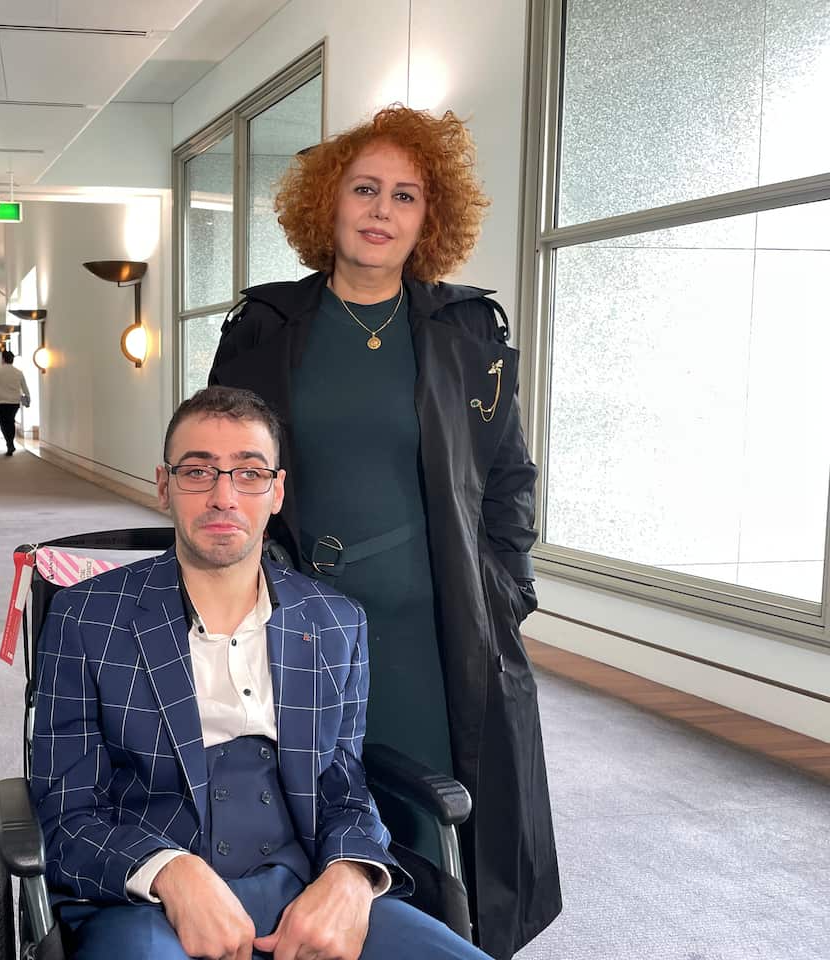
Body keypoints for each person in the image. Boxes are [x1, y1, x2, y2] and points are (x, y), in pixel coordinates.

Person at [208, 105, 561, 959]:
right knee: (302, 816)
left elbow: (509, 479)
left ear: (428, 219)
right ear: (327, 204)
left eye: (406, 196)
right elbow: (218, 465)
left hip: (434, 636)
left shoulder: (464, 331)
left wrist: (501, 594)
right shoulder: (267, 328)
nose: (381, 210)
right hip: (298, 623)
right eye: (365, 188)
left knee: (436, 819)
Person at [30, 386, 490, 960]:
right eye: (198, 471)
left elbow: (342, 782)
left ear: (276, 491)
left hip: (306, 880)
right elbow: (64, 810)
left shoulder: (334, 622)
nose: (224, 496)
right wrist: (172, 874)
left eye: (249, 473)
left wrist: (351, 876)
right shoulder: (87, 617)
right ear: (164, 484)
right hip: (144, 899)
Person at [0, 349, 30, 456]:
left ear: (3, 359)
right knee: (10, 421)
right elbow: (25, 387)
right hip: (14, 402)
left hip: (2, 402)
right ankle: (10, 442)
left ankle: (9, 442)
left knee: (3, 423)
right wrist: (28, 398)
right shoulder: (18, 372)